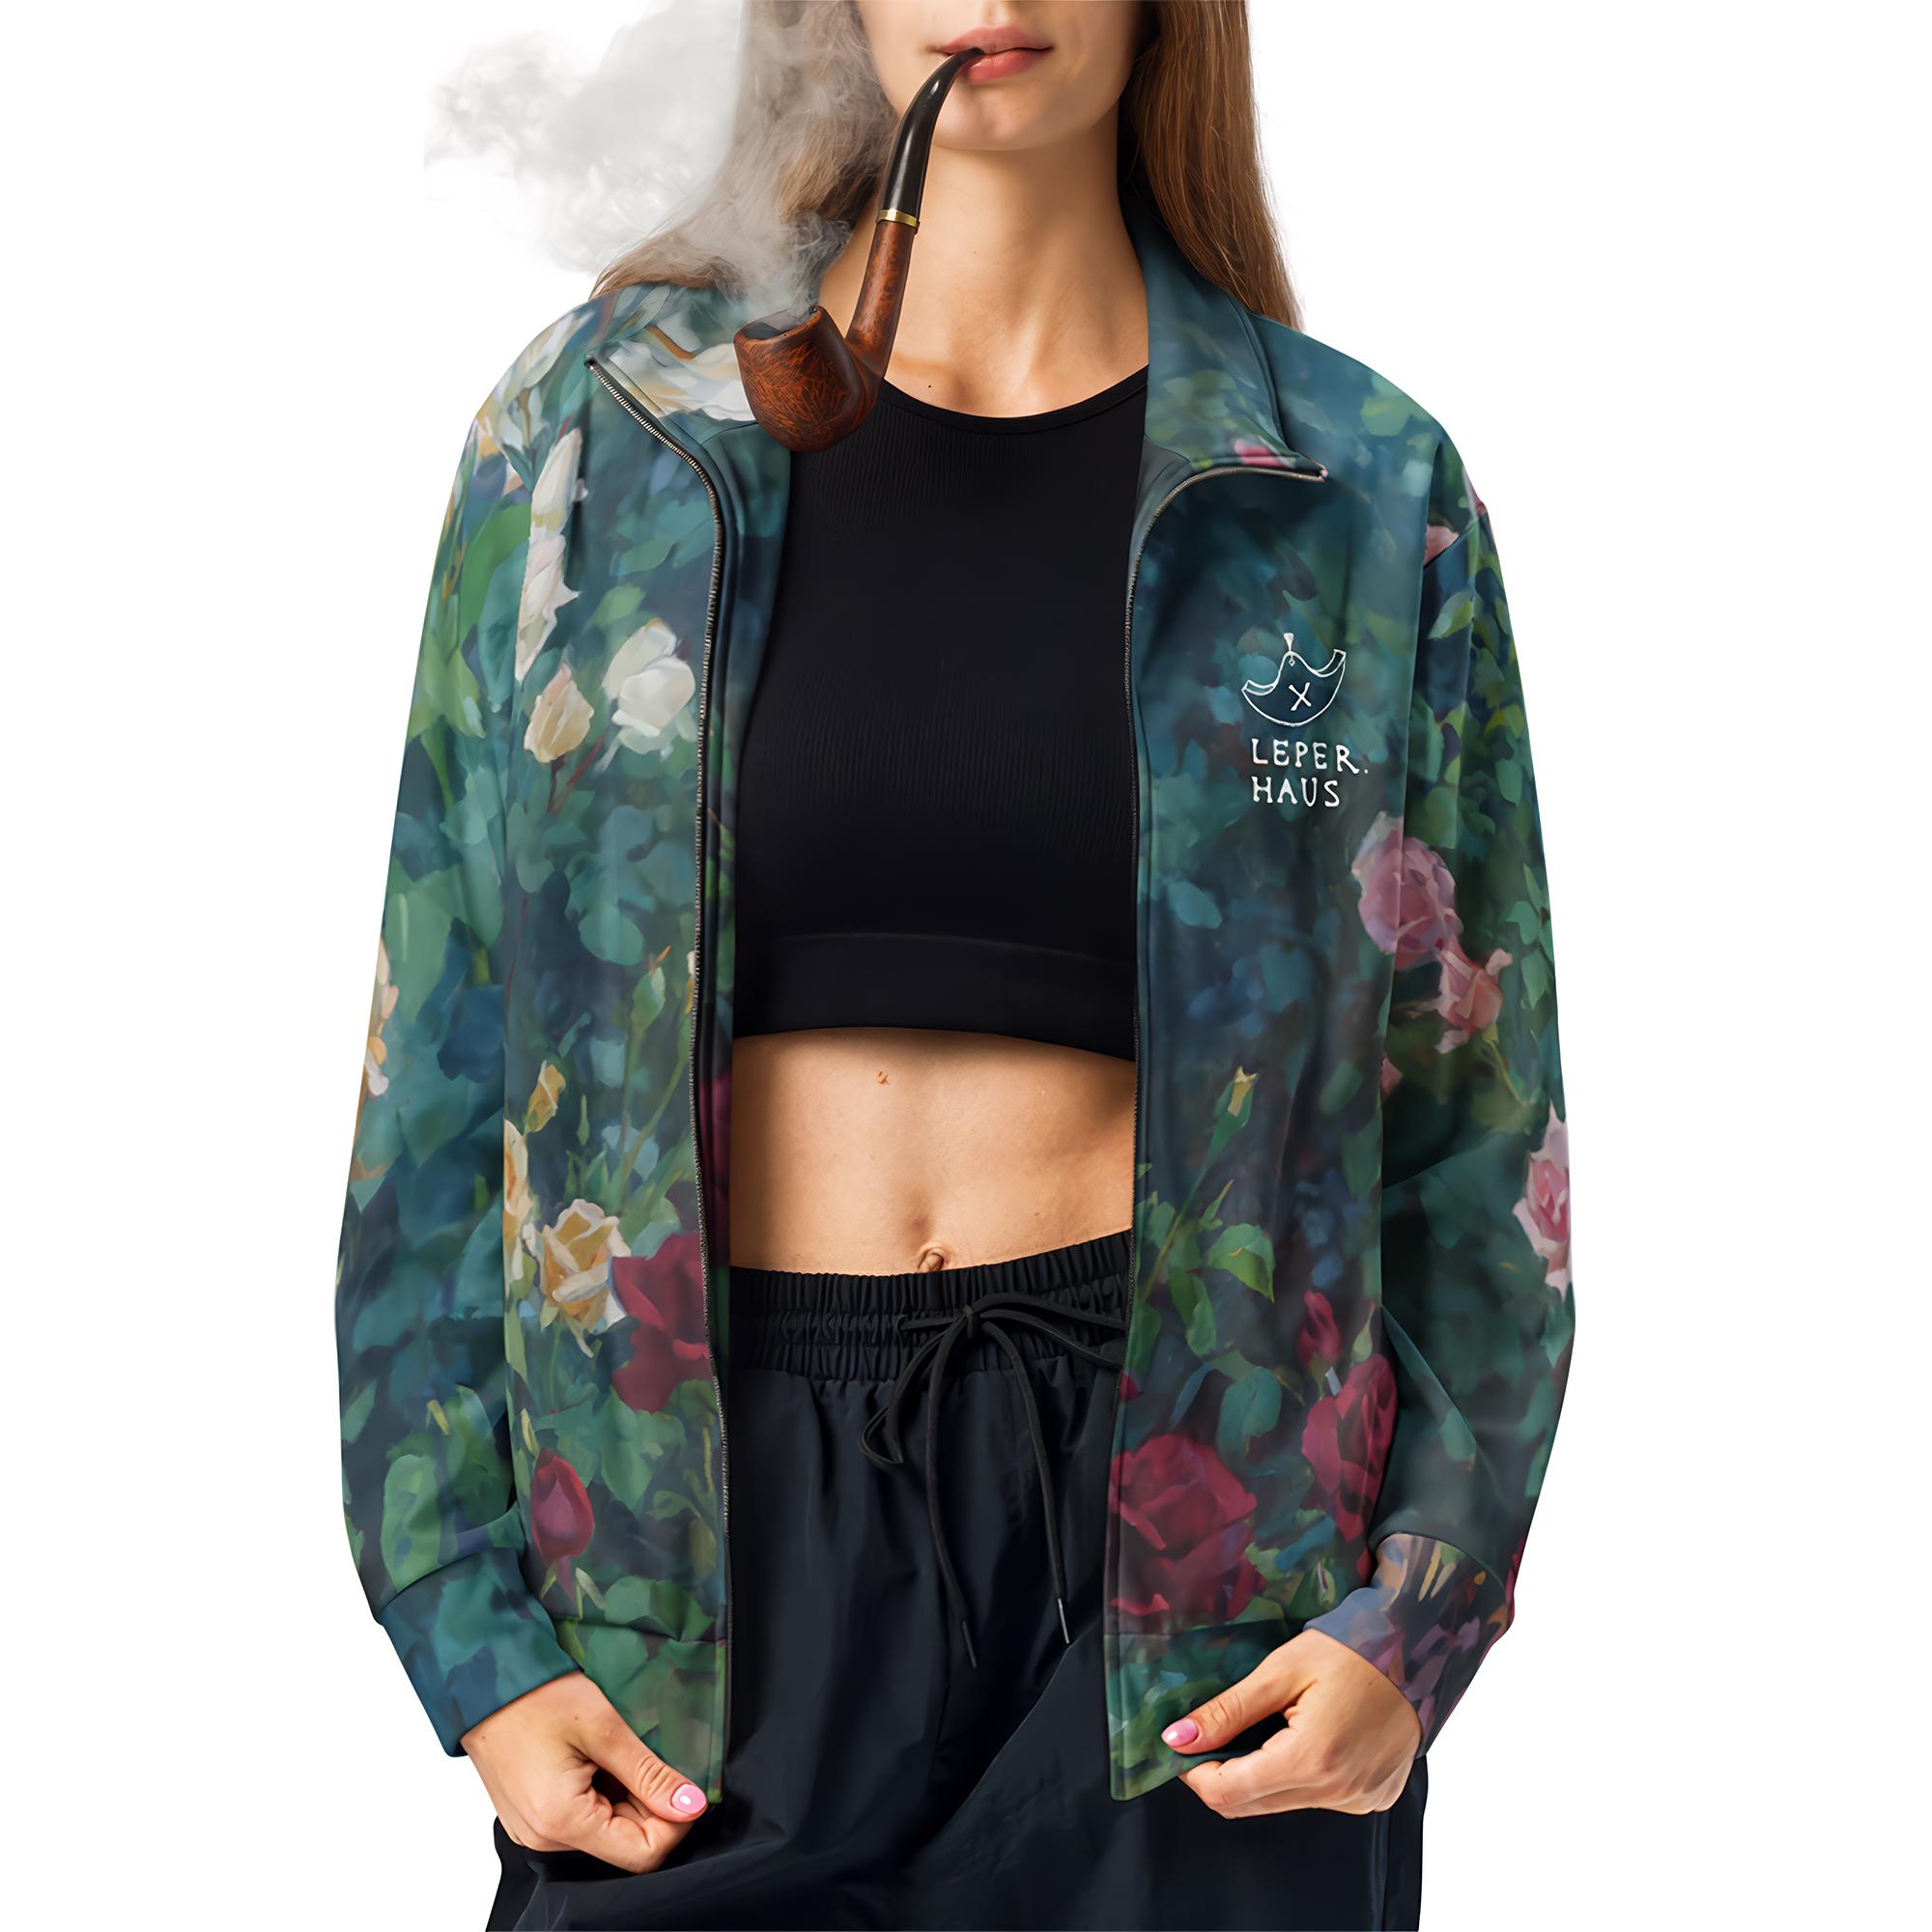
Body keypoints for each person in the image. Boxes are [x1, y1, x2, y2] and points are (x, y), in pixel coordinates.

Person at [333, 4, 1575, 1927]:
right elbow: (443, 1048)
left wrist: (1415, 1616)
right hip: (689, 1552)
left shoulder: (1351, 485)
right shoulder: (597, 433)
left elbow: (1482, 1136)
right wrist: (468, 1627)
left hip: (1200, 1575)